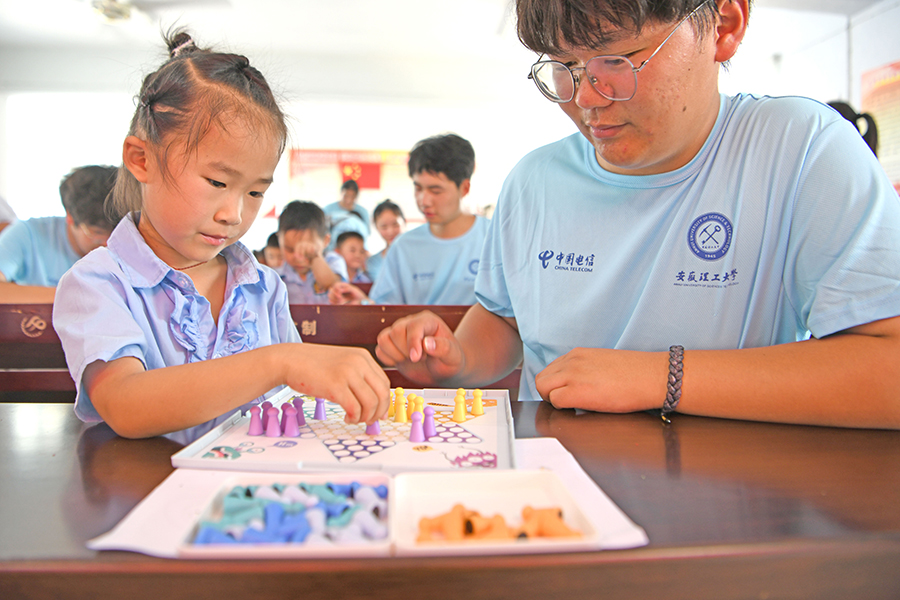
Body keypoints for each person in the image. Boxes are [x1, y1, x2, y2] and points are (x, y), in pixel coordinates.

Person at [374, 0, 900, 430]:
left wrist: (659, 377)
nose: (586, 99)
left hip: (724, 499)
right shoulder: (534, 181)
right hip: (550, 492)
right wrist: (458, 359)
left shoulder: (797, 148)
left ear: (724, 25)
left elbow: (887, 369)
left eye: (616, 61)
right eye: (564, 68)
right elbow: (506, 320)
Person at [52, 31, 389, 441]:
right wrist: (279, 361)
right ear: (142, 159)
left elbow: (289, 405)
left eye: (255, 192)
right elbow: (124, 403)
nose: (234, 214)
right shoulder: (99, 284)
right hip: (149, 497)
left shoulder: (264, 287)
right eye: (215, 181)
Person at [331, 133, 489, 306]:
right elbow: (386, 309)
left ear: (464, 188)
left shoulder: (494, 240)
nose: (424, 201)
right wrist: (363, 303)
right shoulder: (403, 247)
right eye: (418, 188)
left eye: (436, 191)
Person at [0, 165, 118, 303]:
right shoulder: (28, 233)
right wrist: (75, 296)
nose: (107, 243)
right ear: (70, 217)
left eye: (115, 233)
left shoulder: (129, 241)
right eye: (97, 233)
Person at [275, 200, 348, 304]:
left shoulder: (333, 261)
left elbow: (333, 285)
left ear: (325, 241)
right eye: (290, 250)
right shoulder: (277, 276)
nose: (298, 257)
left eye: (306, 252)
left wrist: (314, 257)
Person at [366, 199, 405, 282]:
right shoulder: (373, 263)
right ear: (376, 227)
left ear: (404, 222)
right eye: (384, 227)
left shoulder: (417, 255)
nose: (390, 232)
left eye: (395, 224)